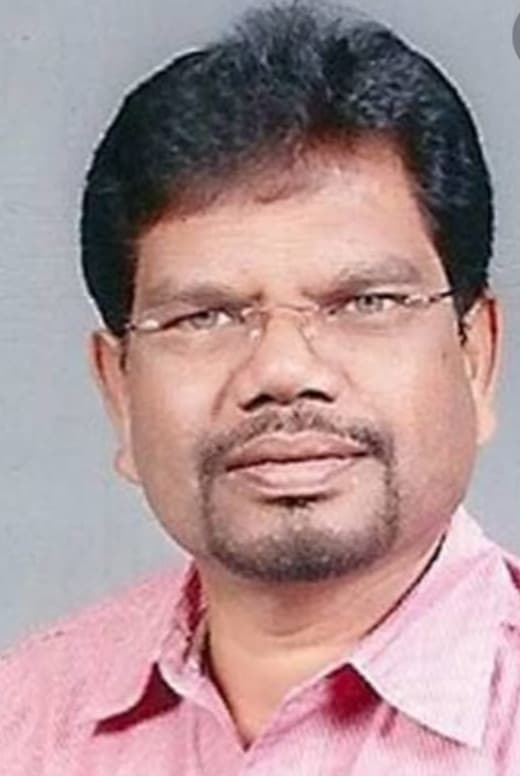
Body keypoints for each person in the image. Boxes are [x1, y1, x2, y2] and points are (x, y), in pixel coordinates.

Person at [2, 1, 519, 772]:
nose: (283, 371)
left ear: (476, 356)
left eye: (365, 303)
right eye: (204, 317)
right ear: (119, 391)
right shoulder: (25, 719)